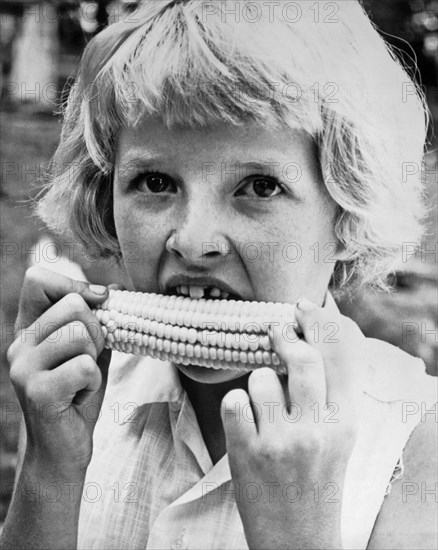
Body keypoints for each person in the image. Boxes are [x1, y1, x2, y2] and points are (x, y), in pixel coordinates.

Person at [1, 1, 436, 549]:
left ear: (347, 208)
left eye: (259, 187)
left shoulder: (416, 440)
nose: (192, 240)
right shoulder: (79, 393)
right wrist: (50, 470)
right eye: (156, 182)